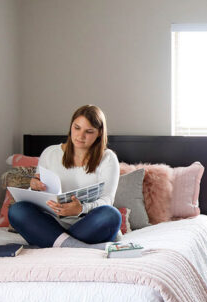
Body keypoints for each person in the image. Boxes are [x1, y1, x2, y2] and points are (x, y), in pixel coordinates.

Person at [8, 105, 122, 248]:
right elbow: (39, 196)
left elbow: (107, 200)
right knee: (17, 210)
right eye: (77, 128)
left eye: (89, 131)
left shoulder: (108, 158)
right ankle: (80, 247)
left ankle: (54, 242)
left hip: (88, 224)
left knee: (111, 215)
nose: (80, 136)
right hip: (52, 222)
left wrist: (81, 209)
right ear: (71, 126)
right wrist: (34, 187)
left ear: (99, 133)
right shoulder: (50, 153)